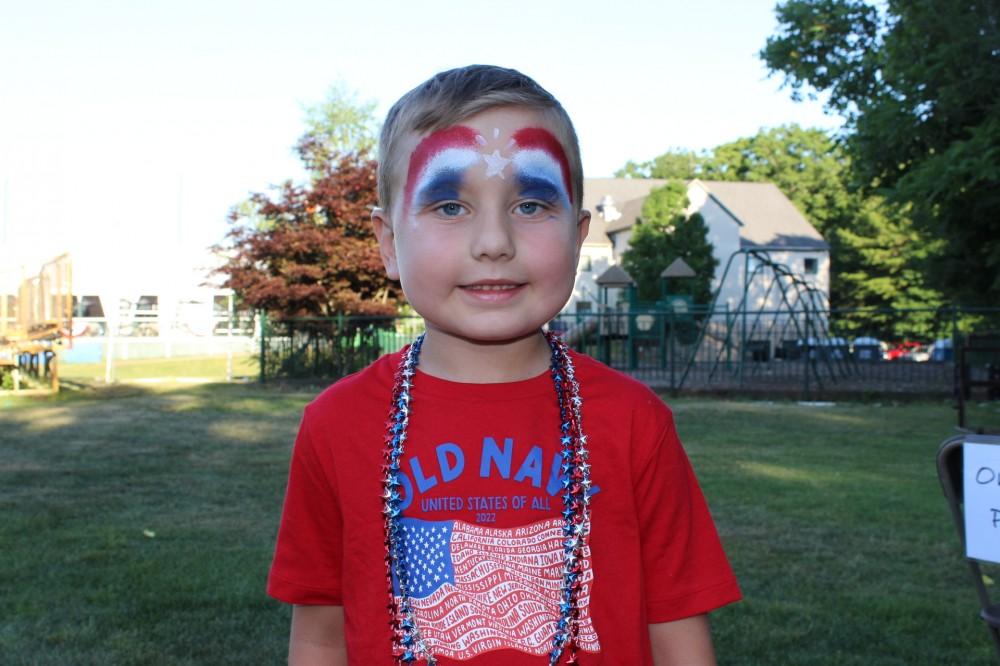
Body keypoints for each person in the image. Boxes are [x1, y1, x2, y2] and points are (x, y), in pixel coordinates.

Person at [267, 64, 740, 665]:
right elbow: (319, 634)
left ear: (578, 232)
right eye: (448, 206)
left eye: (531, 204)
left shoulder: (635, 422)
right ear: (388, 243)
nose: (494, 241)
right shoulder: (335, 424)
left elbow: (677, 632)